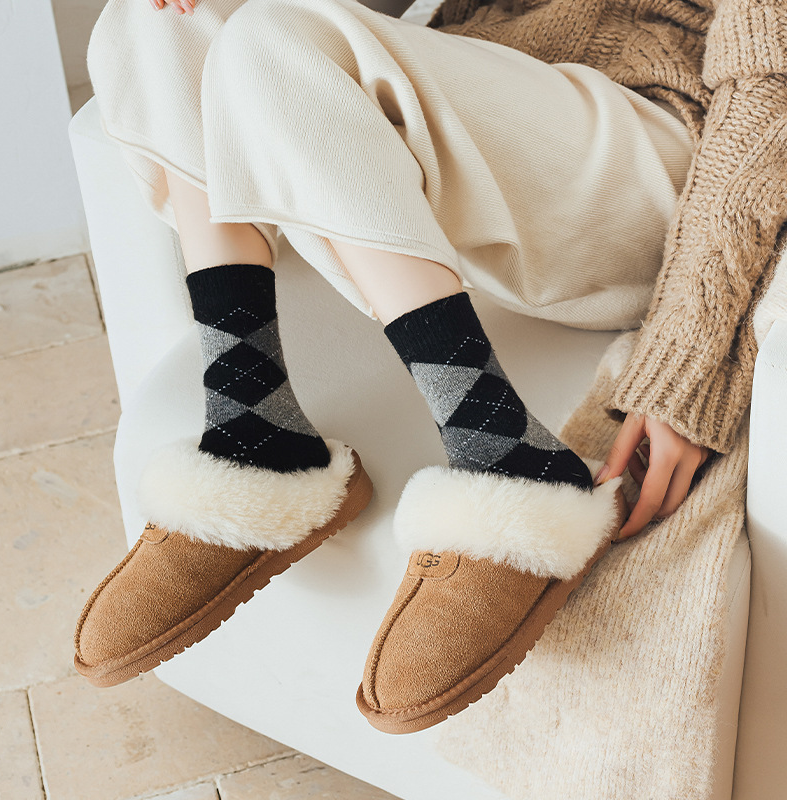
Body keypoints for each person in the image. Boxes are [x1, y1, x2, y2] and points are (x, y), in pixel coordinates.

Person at [73, 0, 784, 734]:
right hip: (490, 90)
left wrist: (691, 360)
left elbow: (770, 92)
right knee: (155, 21)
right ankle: (252, 428)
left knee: (274, 38)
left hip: (665, 140)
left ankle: (507, 457)